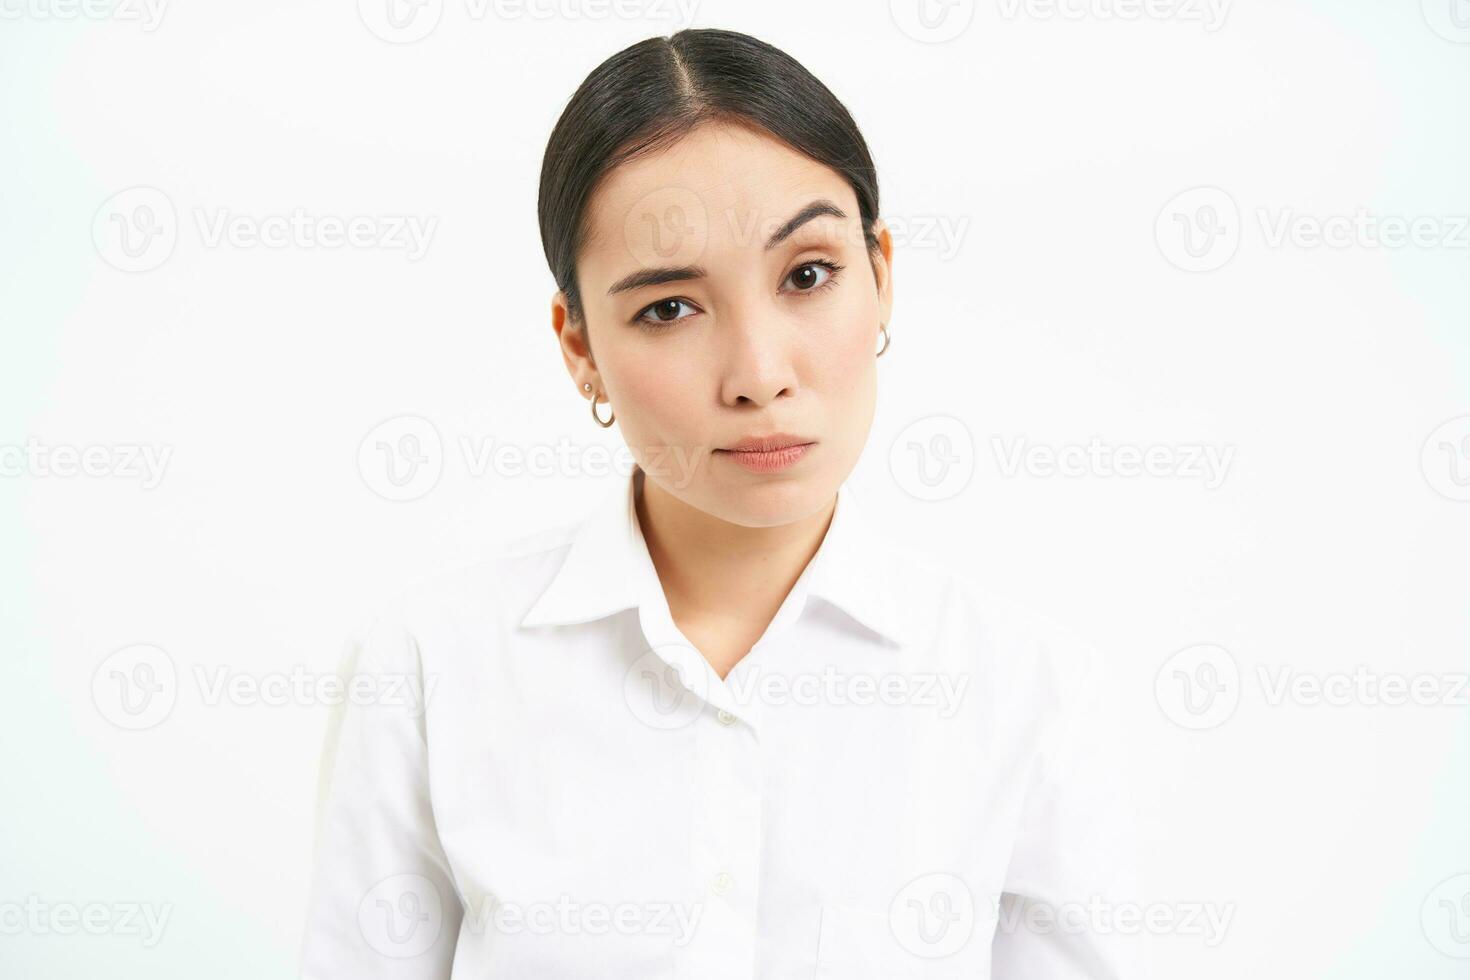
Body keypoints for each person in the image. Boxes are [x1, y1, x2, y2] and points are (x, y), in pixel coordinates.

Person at [300, 27, 1137, 979]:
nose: (758, 375)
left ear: (883, 277)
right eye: (668, 307)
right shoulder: (428, 666)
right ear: (578, 346)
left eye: (808, 275)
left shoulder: (1031, 692)